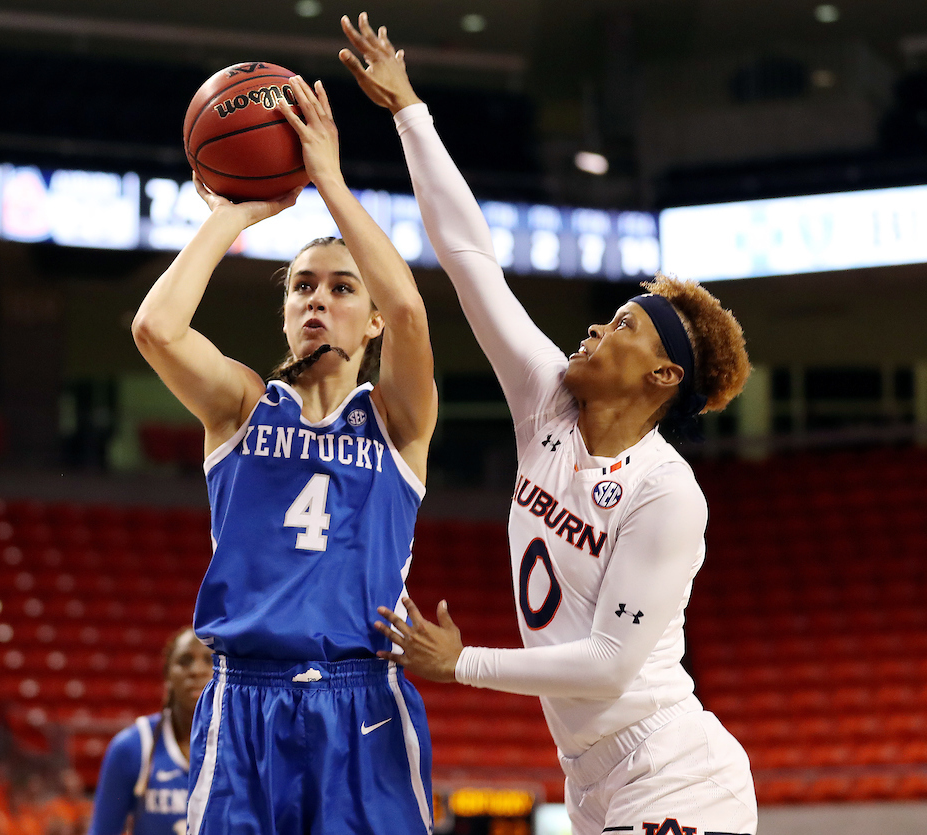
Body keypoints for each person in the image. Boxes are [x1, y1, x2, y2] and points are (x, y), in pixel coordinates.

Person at [340, 12, 758, 835]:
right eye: (605, 318)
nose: (596, 331)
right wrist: (408, 111)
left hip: (673, 772)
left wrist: (460, 662)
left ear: (663, 376)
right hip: (587, 778)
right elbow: (469, 259)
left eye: (623, 328)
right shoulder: (547, 401)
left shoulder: (669, 493)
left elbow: (606, 665)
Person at [132, 73, 438, 834]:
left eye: (340, 289)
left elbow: (408, 305)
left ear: (369, 324)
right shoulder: (240, 404)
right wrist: (233, 215)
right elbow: (156, 329)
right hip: (243, 697)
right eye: (302, 287)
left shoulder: (396, 421)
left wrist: (328, 180)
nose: (317, 300)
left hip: (363, 698)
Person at [88, 628, 214, 835]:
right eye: (184, 661)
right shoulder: (131, 747)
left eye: (209, 661)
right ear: (167, 675)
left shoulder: (243, 746)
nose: (196, 670)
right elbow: (102, 830)